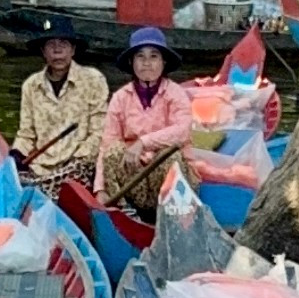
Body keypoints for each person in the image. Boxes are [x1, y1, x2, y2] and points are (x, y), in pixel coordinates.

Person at [98, 27, 193, 209]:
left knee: (170, 156)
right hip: (134, 178)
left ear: (164, 62)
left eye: (154, 56)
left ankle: (168, 214)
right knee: (113, 152)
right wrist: (100, 188)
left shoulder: (176, 93)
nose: (147, 63)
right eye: (140, 56)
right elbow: (107, 143)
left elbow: (182, 132)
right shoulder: (121, 97)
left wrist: (143, 142)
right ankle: (125, 211)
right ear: (131, 62)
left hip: (167, 181)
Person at [13, 18, 108, 190]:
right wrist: (17, 155)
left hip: (79, 165)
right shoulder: (31, 86)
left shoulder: (94, 80)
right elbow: (26, 134)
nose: (58, 50)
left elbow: (99, 131)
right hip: (40, 167)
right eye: (51, 45)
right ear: (43, 51)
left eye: (63, 43)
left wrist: (77, 161)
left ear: (73, 49)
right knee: (10, 177)